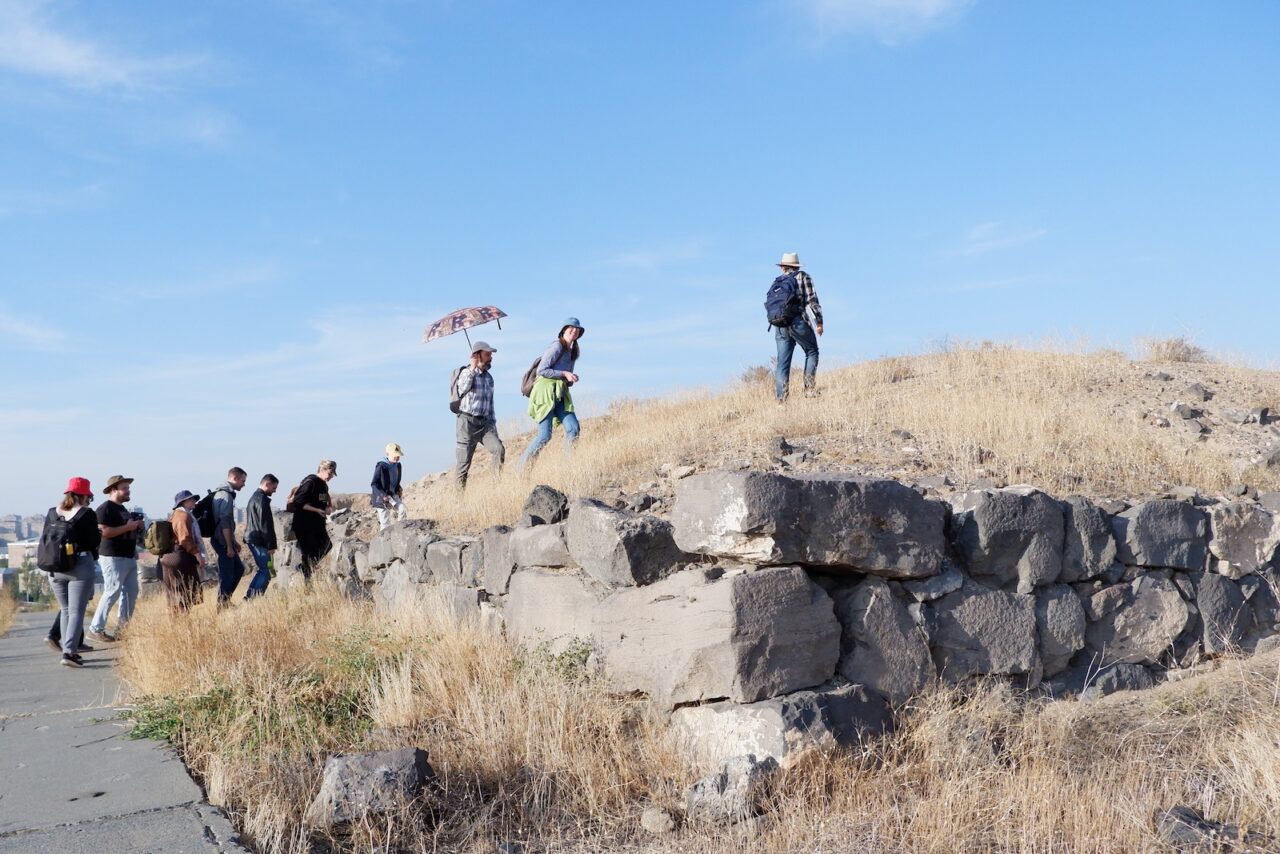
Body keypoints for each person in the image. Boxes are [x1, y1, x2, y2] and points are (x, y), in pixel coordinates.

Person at [45, 477, 101, 668]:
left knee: (66, 610)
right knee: (77, 611)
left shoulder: (52, 513)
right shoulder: (86, 514)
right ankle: (69, 652)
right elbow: (93, 541)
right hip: (79, 566)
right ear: (83, 495)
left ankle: (66, 650)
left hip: (54, 568)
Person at [86, 475, 142, 643]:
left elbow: (125, 530)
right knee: (112, 592)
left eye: (128, 488)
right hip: (113, 557)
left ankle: (123, 629)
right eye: (124, 488)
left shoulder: (123, 509)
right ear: (113, 490)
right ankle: (95, 629)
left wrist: (136, 527)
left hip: (128, 556)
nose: (128, 491)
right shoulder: (105, 509)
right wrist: (128, 526)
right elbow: (104, 532)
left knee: (130, 593)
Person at [521, 318, 583, 467]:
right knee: (544, 435)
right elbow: (542, 370)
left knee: (573, 428)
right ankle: (522, 469)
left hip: (560, 393)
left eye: (577, 329)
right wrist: (564, 373)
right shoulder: (556, 346)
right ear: (564, 330)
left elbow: (566, 376)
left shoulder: (573, 352)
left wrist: (570, 378)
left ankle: (568, 466)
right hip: (545, 392)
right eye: (571, 328)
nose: (574, 330)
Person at [770, 252, 824, 403]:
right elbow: (812, 301)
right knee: (812, 351)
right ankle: (809, 390)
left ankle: (781, 400)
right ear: (796, 266)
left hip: (779, 324)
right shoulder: (803, 277)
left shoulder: (778, 281)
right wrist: (819, 322)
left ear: (782, 267)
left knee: (782, 362)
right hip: (797, 321)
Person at [454, 342, 506, 487]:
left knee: (499, 449)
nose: (491, 358)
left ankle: (495, 487)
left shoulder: (489, 378)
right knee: (464, 463)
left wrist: (493, 428)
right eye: (487, 354)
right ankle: (458, 500)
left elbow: (490, 405)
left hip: (485, 424)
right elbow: (462, 389)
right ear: (477, 356)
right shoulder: (466, 372)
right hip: (466, 423)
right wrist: (472, 367)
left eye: (491, 355)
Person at [288, 460, 336, 582]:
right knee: (309, 553)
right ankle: (308, 582)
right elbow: (298, 502)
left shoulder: (324, 485)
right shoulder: (310, 483)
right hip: (304, 524)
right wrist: (316, 510)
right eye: (330, 473)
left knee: (327, 545)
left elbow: (323, 500)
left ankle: (306, 567)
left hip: (317, 524)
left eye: (333, 474)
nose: (331, 476)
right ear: (322, 469)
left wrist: (328, 507)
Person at [161, 490, 206, 613]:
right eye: (191, 500)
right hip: (180, 557)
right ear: (183, 502)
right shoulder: (183, 515)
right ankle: (181, 624)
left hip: (170, 557)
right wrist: (198, 555)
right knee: (186, 594)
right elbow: (185, 538)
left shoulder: (174, 515)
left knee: (174, 597)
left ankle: (176, 626)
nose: (194, 502)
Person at [210, 467, 248, 607]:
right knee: (228, 575)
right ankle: (222, 604)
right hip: (222, 540)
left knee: (238, 569)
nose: (244, 484)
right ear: (235, 478)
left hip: (223, 539)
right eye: (243, 481)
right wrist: (229, 546)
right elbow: (225, 523)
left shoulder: (221, 493)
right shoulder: (226, 495)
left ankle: (225, 601)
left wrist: (234, 541)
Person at [244, 474, 279, 599]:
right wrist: (271, 545)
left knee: (263, 570)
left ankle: (250, 597)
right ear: (267, 484)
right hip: (259, 541)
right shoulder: (261, 500)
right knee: (266, 571)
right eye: (274, 488)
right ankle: (253, 598)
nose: (274, 491)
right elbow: (265, 525)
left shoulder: (255, 497)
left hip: (255, 539)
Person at [372, 444, 408, 528]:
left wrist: (399, 488)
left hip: (392, 494)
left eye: (398, 455)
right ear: (387, 454)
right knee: (385, 523)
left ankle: (400, 530)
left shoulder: (398, 466)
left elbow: (395, 481)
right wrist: (383, 495)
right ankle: (384, 540)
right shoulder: (381, 466)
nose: (397, 457)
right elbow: (374, 483)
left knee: (402, 509)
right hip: (381, 498)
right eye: (394, 455)